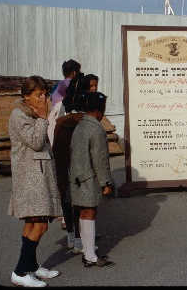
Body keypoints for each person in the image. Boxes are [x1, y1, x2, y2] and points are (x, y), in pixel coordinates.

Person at [8, 76, 62, 287]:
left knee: (33, 224)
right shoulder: (19, 115)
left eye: (45, 94)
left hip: (39, 178)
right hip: (30, 180)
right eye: (38, 94)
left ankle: (31, 266)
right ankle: (20, 272)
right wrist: (42, 118)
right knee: (40, 226)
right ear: (26, 95)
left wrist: (41, 117)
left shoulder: (33, 115)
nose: (43, 98)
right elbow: (35, 142)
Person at [69, 92, 116, 267]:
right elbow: (100, 159)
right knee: (90, 213)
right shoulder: (96, 128)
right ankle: (90, 256)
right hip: (89, 179)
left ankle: (88, 251)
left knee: (83, 213)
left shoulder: (80, 125)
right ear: (99, 109)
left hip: (77, 178)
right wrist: (106, 183)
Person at [53, 75, 91, 254]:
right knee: (79, 204)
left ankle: (70, 237)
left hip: (62, 167)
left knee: (66, 203)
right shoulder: (83, 122)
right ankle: (79, 241)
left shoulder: (60, 123)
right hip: (78, 168)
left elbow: (55, 148)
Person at [48, 59, 81, 147]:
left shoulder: (59, 83)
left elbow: (51, 96)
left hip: (54, 110)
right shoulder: (72, 84)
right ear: (74, 73)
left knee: (53, 133)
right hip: (62, 110)